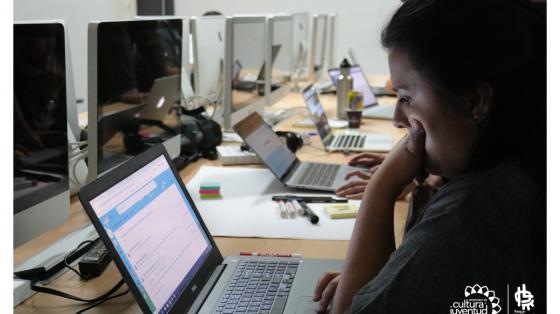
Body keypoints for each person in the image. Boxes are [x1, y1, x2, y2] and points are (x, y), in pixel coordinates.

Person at [314, 0, 546, 312]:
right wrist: (389, 281)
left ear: (475, 102)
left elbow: (348, 311)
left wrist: (382, 186)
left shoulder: (469, 216)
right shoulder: (522, 168)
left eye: (406, 98)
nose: (398, 117)